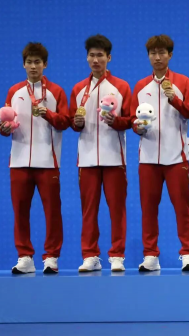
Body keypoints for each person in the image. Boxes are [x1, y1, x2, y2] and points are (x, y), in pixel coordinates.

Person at [131, 34, 189, 272]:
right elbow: (132, 118)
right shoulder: (140, 86)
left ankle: (188, 254)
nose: (157, 57)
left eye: (162, 53)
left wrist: (175, 100)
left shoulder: (182, 82)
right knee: (148, 209)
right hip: (148, 158)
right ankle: (150, 255)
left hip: (175, 158)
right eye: (153, 53)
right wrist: (138, 127)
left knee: (182, 208)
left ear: (170, 55)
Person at [1, 43, 69, 274]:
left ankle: (51, 257)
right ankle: (25, 257)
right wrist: (4, 128)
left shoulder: (56, 92)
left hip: (48, 162)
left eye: (37, 62)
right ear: (23, 65)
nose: (33, 66)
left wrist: (47, 114)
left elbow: (65, 121)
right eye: (29, 62)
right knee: (20, 211)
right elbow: (6, 122)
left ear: (45, 64)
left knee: (52, 212)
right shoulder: (14, 91)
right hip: (19, 162)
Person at [69, 34, 131, 272]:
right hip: (86, 159)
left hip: (114, 158)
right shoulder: (78, 89)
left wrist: (116, 121)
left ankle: (117, 256)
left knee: (117, 210)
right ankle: (90, 255)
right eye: (92, 56)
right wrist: (77, 123)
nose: (96, 60)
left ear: (109, 58)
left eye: (100, 56)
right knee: (89, 210)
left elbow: (131, 120)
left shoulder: (121, 87)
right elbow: (72, 122)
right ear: (87, 58)